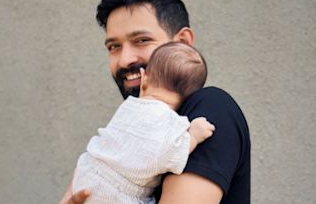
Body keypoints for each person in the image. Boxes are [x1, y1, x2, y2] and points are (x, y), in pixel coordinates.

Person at [60, 0, 250, 204]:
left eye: (141, 40)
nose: (124, 60)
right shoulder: (125, 132)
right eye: (114, 46)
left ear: (182, 42)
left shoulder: (210, 110)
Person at [73, 42, 215, 204]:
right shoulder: (172, 122)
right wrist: (194, 136)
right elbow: (171, 155)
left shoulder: (129, 106)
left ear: (144, 79)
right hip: (115, 195)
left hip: (87, 172)